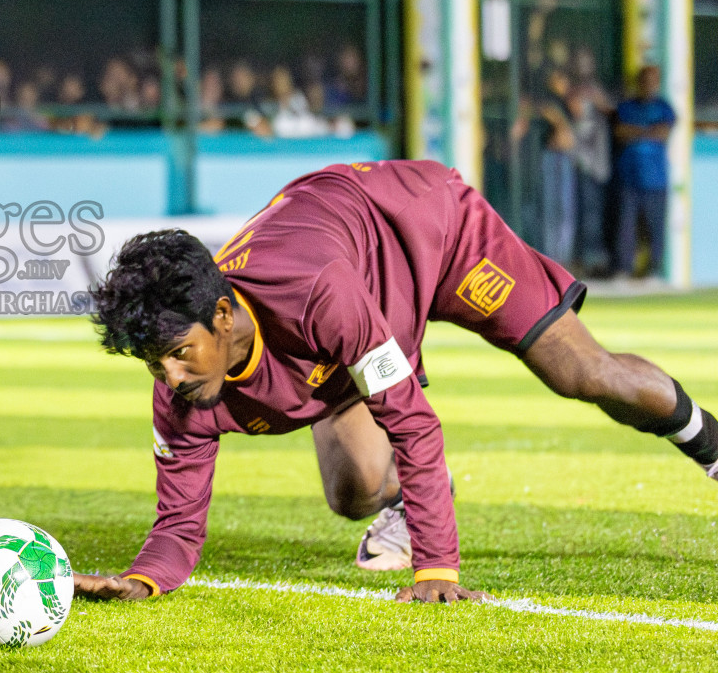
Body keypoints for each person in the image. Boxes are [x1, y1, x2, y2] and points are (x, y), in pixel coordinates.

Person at [73, 159, 718, 605]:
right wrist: (143, 580)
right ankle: (412, 497)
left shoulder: (316, 297)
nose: (171, 377)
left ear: (222, 314)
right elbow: (179, 523)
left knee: (581, 372)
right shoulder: (179, 383)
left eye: (181, 354)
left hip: (430, 229)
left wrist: (437, 566)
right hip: (357, 294)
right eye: (155, 363)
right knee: (352, 494)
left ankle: (709, 443)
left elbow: (410, 417)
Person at [613, 65, 676, 280]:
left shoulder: (664, 108)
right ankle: (623, 269)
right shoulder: (626, 107)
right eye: (644, 80)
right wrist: (648, 130)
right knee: (626, 226)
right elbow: (620, 131)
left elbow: (663, 132)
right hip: (629, 178)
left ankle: (653, 270)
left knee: (655, 228)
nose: (648, 85)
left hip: (656, 180)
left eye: (653, 81)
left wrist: (636, 131)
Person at [535, 68, 578, 265]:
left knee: (565, 209)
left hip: (565, 158)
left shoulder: (568, 103)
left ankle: (562, 256)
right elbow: (553, 121)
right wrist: (561, 126)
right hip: (552, 157)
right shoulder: (546, 101)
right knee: (551, 209)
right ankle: (551, 256)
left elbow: (569, 135)